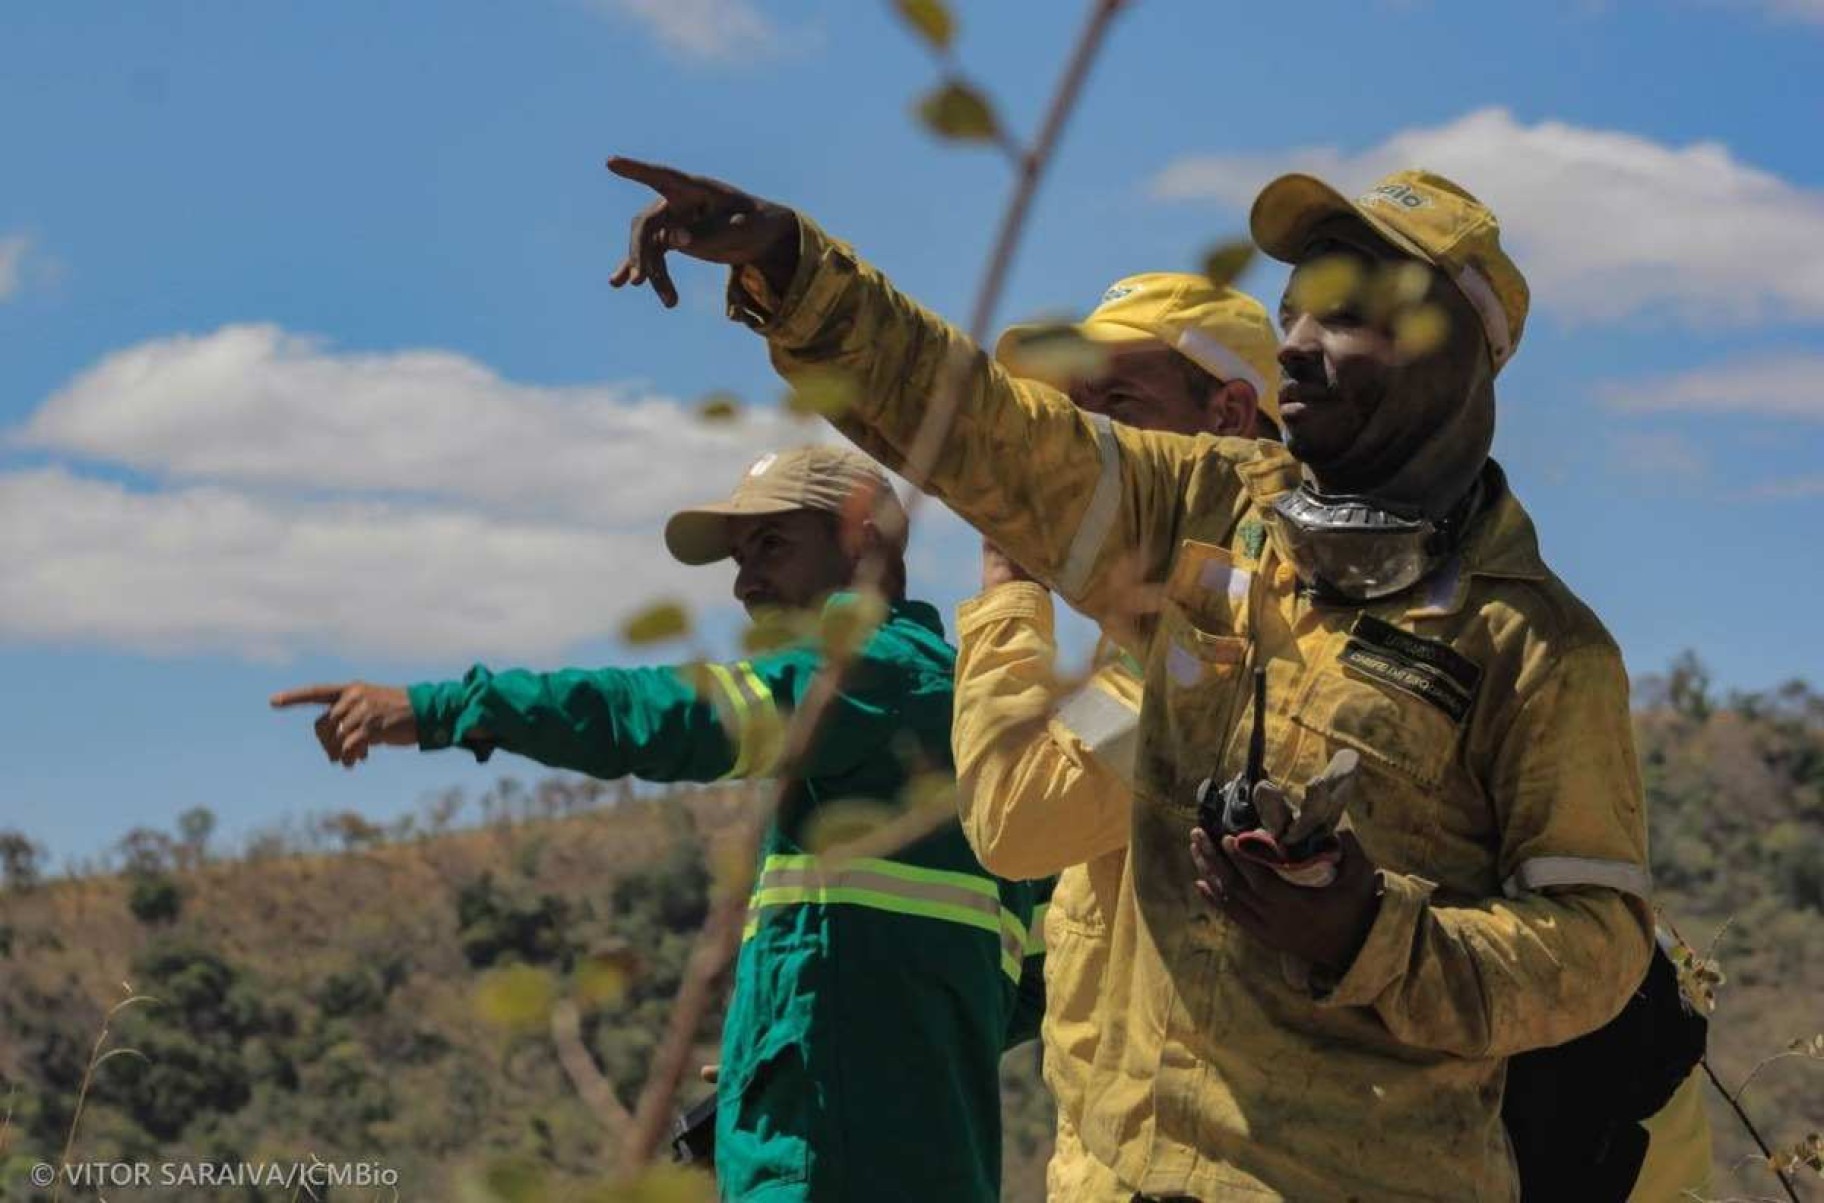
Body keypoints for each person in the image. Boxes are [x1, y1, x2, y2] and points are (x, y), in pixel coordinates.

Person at [607, 158, 1657, 1201]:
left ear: (1454, 354)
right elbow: (988, 432)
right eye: (1291, 314)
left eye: (1344, 320)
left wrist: (1369, 932)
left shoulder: (1538, 647)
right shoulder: (1203, 513)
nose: (1297, 344)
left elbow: (1599, 946)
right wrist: (792, 265)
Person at [271, 445, 1039, 1203]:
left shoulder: (867, 674)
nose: (745, 582)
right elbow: (1031, 977)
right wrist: (801, 1041)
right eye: (740, 557)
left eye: (771, 544)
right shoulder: (974, 720)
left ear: (862, 537)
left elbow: (676, 717)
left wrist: (448, 709)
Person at [951, 273, 1279, 1200]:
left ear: (1229, 414)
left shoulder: (1222, 639)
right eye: (1072, 410)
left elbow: (1017, 821)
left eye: (1118, 405)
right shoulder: (1167, 636)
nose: (1078, 441)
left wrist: (1010, 577)